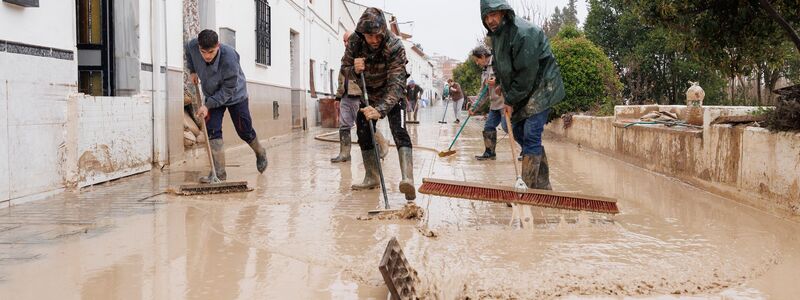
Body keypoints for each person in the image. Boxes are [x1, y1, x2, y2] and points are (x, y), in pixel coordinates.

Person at [480, 0, 566, 189]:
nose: (490, 20)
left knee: (531, 133)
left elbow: (526, 73)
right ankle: (542, 184)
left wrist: (509, 99)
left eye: (493, 14)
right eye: (486, 16)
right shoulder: (497, 35)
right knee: (507, 124)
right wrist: (502, 83)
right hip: (523, 88)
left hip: (542, 87)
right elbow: (498, 63)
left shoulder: (523, 33)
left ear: (503, 12)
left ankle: (527, 187)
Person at [340, 7, 416, 201]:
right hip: (368, 93)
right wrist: (354, 70)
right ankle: (372, 176)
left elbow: (397, 83)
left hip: (392, 94)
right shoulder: (356, 42)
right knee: (364, 131)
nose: (373, 40)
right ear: (362, 33)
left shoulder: (395, 45)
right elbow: (344, 68)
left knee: (398, 130)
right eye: (369, 36)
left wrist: (380, 110)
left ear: (383, 32)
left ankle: (408, 179)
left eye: (377, 36)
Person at [185, 29, 268, 182]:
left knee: (244, 130)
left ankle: (260, 152)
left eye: (211, 52)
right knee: (212, 130)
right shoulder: (193, 46)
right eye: (203, 52)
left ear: (218, 46)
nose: (207, 56)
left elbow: (228, 90)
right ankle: (219, 174)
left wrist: (207, 105)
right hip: (211, 92)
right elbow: (188, 52)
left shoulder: (229, 58)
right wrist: (193, 70)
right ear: (199, 47)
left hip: (235, 95)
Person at [331, 31, 389, 163]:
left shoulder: (363, 53)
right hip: (346, 95)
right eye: (344, 41)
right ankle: (344, 153)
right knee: (344, 124)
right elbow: (341, 78)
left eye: (348, 40)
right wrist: (338, 97)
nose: (346, 43)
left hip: (359, 96)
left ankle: (383, 146)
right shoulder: (345, 57)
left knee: (364, 124)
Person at [469, 45, 507, 161]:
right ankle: (489, 152)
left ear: (483, 56)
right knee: (488, 126)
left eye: (477, 60)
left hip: (506, 102)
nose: (477, 63)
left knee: (508, 127)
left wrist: (497, 81)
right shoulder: (485, 70)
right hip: (495, 104)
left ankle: (527, 150)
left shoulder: (498, 62)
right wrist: (474, 107)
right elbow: (483, 93)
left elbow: (510, 77)